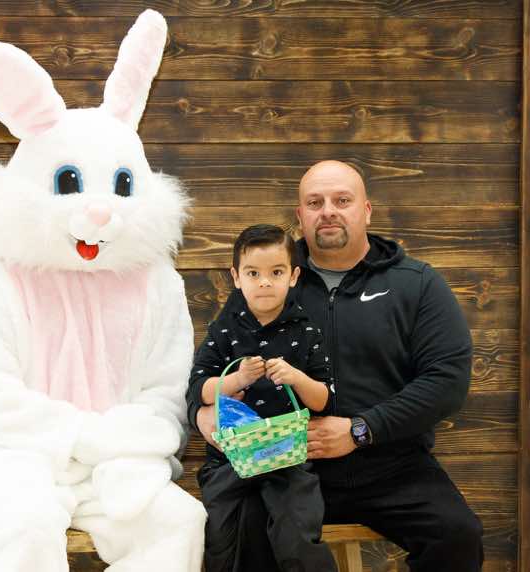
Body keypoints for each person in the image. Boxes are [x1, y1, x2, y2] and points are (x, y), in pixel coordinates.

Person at [194, 161, 484, 572]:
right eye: (315, 203)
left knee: (457, 536)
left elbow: (447, 381)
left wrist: (361, 430)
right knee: (246, 534)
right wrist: (201, 411)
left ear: (366, 210)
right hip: (287, 467)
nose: (328, 211)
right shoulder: (266, 281)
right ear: (300, 216)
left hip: (392, 465)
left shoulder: (416, 284)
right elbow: (208, 368)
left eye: (342, 200)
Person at [186, 224, 338, 572]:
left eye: (276, 272)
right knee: (224, 539)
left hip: (287, 456)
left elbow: (325, 400)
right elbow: (197, 389)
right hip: (231, 458)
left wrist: (297, 378)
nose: (265, 282)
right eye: (253, 273)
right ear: (236, 277)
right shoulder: (224, 329)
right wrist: (236, 380)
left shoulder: (306, 330)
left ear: (294, 276)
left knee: (297, 533)